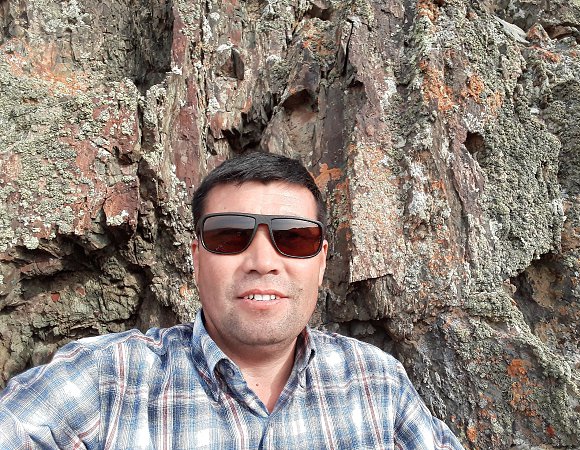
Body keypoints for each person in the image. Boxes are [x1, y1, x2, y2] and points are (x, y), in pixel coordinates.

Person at [0, 152, 465, 449]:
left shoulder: (377, 384)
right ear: (196, 257)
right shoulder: (107, 380)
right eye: (229, 236)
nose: (263, 262)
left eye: (294, 238)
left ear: (322, 261)